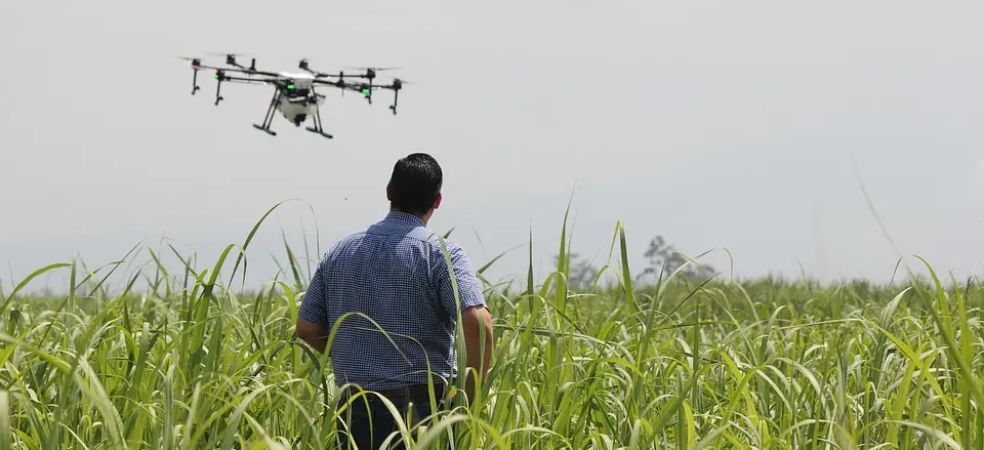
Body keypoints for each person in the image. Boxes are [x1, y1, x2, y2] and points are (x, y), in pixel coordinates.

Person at [296, 153, 494, 450]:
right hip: (422, 409)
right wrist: (468, 400)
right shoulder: (442, 254)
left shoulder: (339, 252)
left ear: (389, 192)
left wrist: (356, 356)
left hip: (355, 405)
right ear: (437, 201)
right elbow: (478, 324)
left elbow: (307, 328)